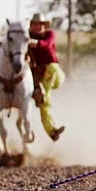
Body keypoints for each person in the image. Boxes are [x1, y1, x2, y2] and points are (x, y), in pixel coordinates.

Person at [28, 12, 66, 141]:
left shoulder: (49, 35)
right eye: (35, 24)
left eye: (40, 24)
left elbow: (47, 44)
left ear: (44, 26)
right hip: (41, 74)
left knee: (44, 99)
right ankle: (51, 130)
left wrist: (34, 43)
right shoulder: (27, 37)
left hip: (52, 71)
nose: (38, 26)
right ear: (31, 26)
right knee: (44, 101)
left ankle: (51, 130)